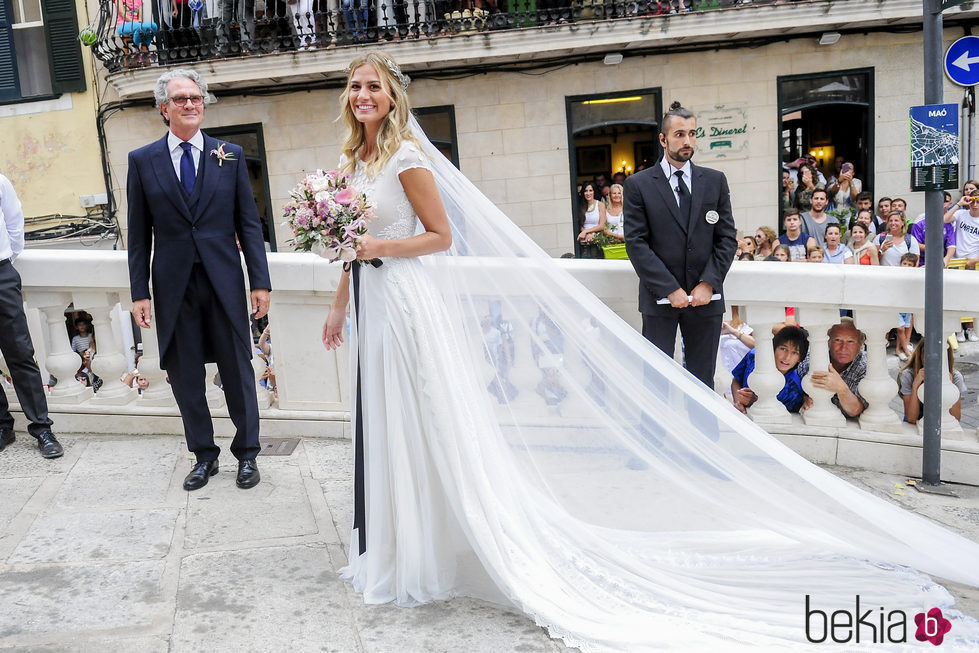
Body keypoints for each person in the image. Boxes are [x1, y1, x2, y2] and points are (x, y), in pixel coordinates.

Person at [315, 54, 979, 650]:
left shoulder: (408, 157)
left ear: (393, 97)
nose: (362, 92)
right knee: (387, 420)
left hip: (409, 300)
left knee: (431, 416)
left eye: (373, 84)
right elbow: (351, 244)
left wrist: (376, 250)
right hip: (375, 303)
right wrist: (342, 298)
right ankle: (396, 542)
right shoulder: (353, 163)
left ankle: (437, 542)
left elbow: (439, 236)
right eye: (355, 84)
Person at [127, 69, 272, 491]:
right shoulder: (142, 160)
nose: (190, 104)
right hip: (173, 287)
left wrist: (259, 282)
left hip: (223, 281)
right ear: (164, 108)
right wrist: (140, 291)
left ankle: (247, 455)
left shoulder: (229, 155)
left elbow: (249, 224)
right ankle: (204, 456)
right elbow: (138, 234)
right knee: (185, 376)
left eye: (196, 98)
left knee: (238, 371)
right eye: (181, 99)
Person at [623, 101, 738, 387]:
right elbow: (636, 243)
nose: (687, 141)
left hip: (706, 300)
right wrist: (670, 288)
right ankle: (655, 433)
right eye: (679, 134)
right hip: (659, 300)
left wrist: (708, 283)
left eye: (692, 133)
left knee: (703, 380)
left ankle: (702, 434)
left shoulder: (714, 181)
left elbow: (726, 238)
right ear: (663, 139)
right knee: (656, 380)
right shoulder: (638, 185)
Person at [0, 173, 62, 459]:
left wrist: (7, 259)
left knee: (20, 352)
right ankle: (3, 426)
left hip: (0, 273)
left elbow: (15, 222)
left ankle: (42, 429)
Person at [796, 318, 868, 418]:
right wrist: (805, 399)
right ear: (828, 341)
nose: (844, 348)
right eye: (838, 340)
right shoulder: (810, 359)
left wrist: (841, 389)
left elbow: (855, 411)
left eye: (851, 341)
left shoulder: (865, 366)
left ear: (860, 344)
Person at [730, 325, 810, 414]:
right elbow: (736, 379)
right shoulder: (754, 356)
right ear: (774, 348)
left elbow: (778, 415)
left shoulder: (794, 388)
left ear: (800, 358)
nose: (787, 357)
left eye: (795, 352)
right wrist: (738, 401)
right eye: (783, 349)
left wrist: (755, 400)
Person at [898, 340, 965, 424]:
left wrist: (950, 386)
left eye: (938, 355)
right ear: (920, 356)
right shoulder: (908, 375)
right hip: (917, 422)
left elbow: (956, 418)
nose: (932, 360)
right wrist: (915, 386)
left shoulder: (955, 377)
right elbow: (911, 419)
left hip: (943, 422)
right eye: (927, 354)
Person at [576, 182, 606, 258]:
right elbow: (579, 223)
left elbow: (602, 225)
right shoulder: (580, 205)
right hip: (584, 240)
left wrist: (587, 232)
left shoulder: (600, 205)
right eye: (585, 191)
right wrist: (585, 233)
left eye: (590, 190)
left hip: (597, 239)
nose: (588, 193)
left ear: (594, 191)